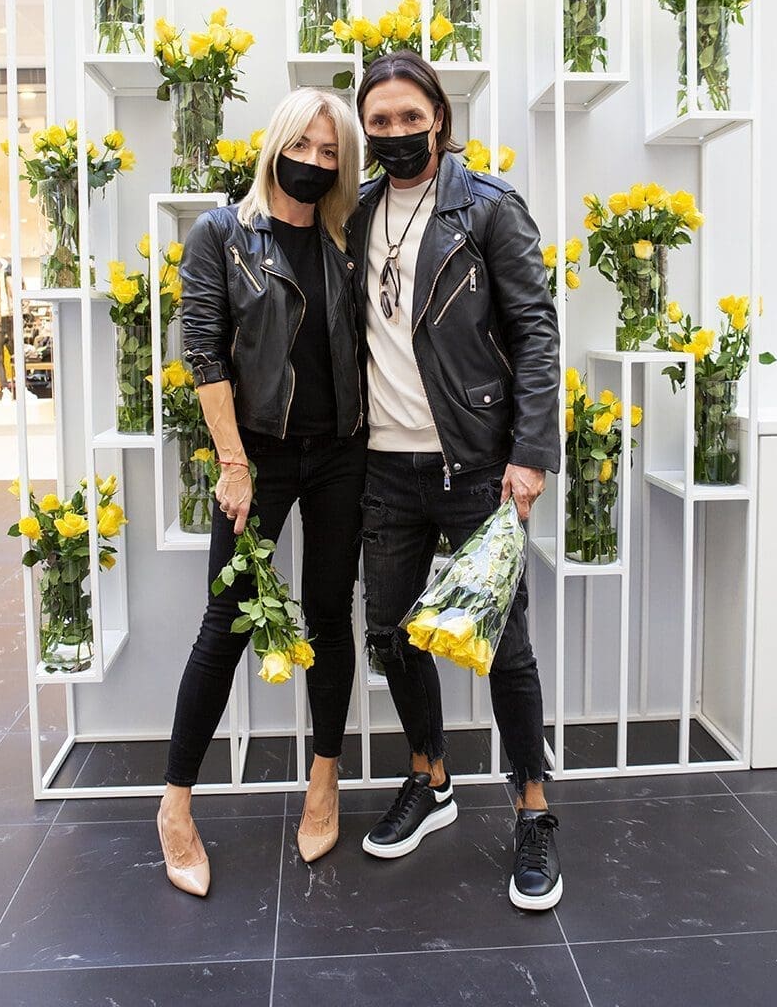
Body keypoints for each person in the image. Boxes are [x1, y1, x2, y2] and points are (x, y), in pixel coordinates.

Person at [348, 51, 563, 911]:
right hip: (384, 468)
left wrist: (530, 452)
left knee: (505, 648)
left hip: (476, 465)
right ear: (365, 128)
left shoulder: (488, 206)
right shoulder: (357, 213)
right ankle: (431, 777)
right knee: (391, 634)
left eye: (411, 116)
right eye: (381, 120)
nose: (397, 132)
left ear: (439, 116)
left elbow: (536, 331)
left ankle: (534, 809)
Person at [157, 87, 366, 895]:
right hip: (260, 456)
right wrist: (234, 464)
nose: (314, 161)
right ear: (275, 144)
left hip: (342, 453)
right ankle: (175, 805)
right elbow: (204, 352)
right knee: (226, 623)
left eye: (330, 152)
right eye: (303, 145)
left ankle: (324, 780)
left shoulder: (347, 237)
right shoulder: (222, 234)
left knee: (330, 616)